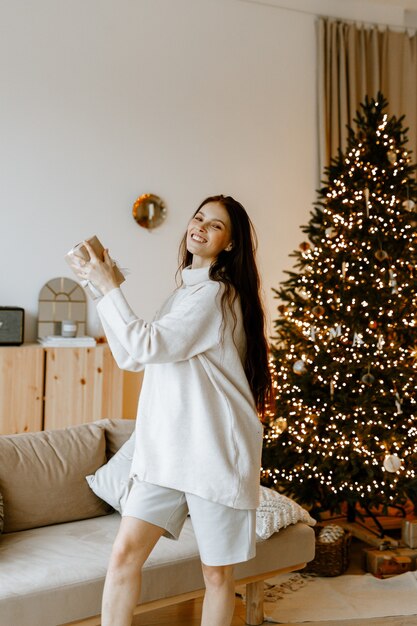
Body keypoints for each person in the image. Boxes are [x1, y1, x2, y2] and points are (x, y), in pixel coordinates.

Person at [70, 195, 271, 626]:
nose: (200, 226)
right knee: (124, 555)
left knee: (217, 574)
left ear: (229, 244)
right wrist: (101, 287)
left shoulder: (215, 295)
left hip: (214, 453)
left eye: (215, 225)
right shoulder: (185, 292)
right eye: (198, 217)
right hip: (166, 454)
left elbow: (146, 344)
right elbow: (133, 356)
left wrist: (110, 287)